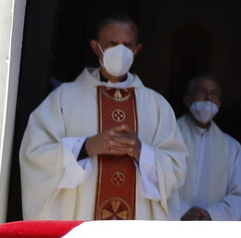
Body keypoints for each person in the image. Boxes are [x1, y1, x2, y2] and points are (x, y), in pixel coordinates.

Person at [18, 15, 187, 220]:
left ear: (137, 50)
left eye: (127, 44)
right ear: (96, 47)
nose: (121, 51)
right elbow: (34, 154)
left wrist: (142, 152)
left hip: (136, 232)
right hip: (81, 226)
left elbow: (176, 169)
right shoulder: (64, 98)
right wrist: (86, 146)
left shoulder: (156, 105)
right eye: (113, 43)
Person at [170, 73, 241, 222]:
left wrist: (213, 215)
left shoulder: (231, 147)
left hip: (211, 231)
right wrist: (182, 211)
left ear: (219, 103)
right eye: (202, 92)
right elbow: (153, 181)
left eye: (213, 94)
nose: (208, 98)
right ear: (187, 100)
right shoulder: (168, 136)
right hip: (172, 225)